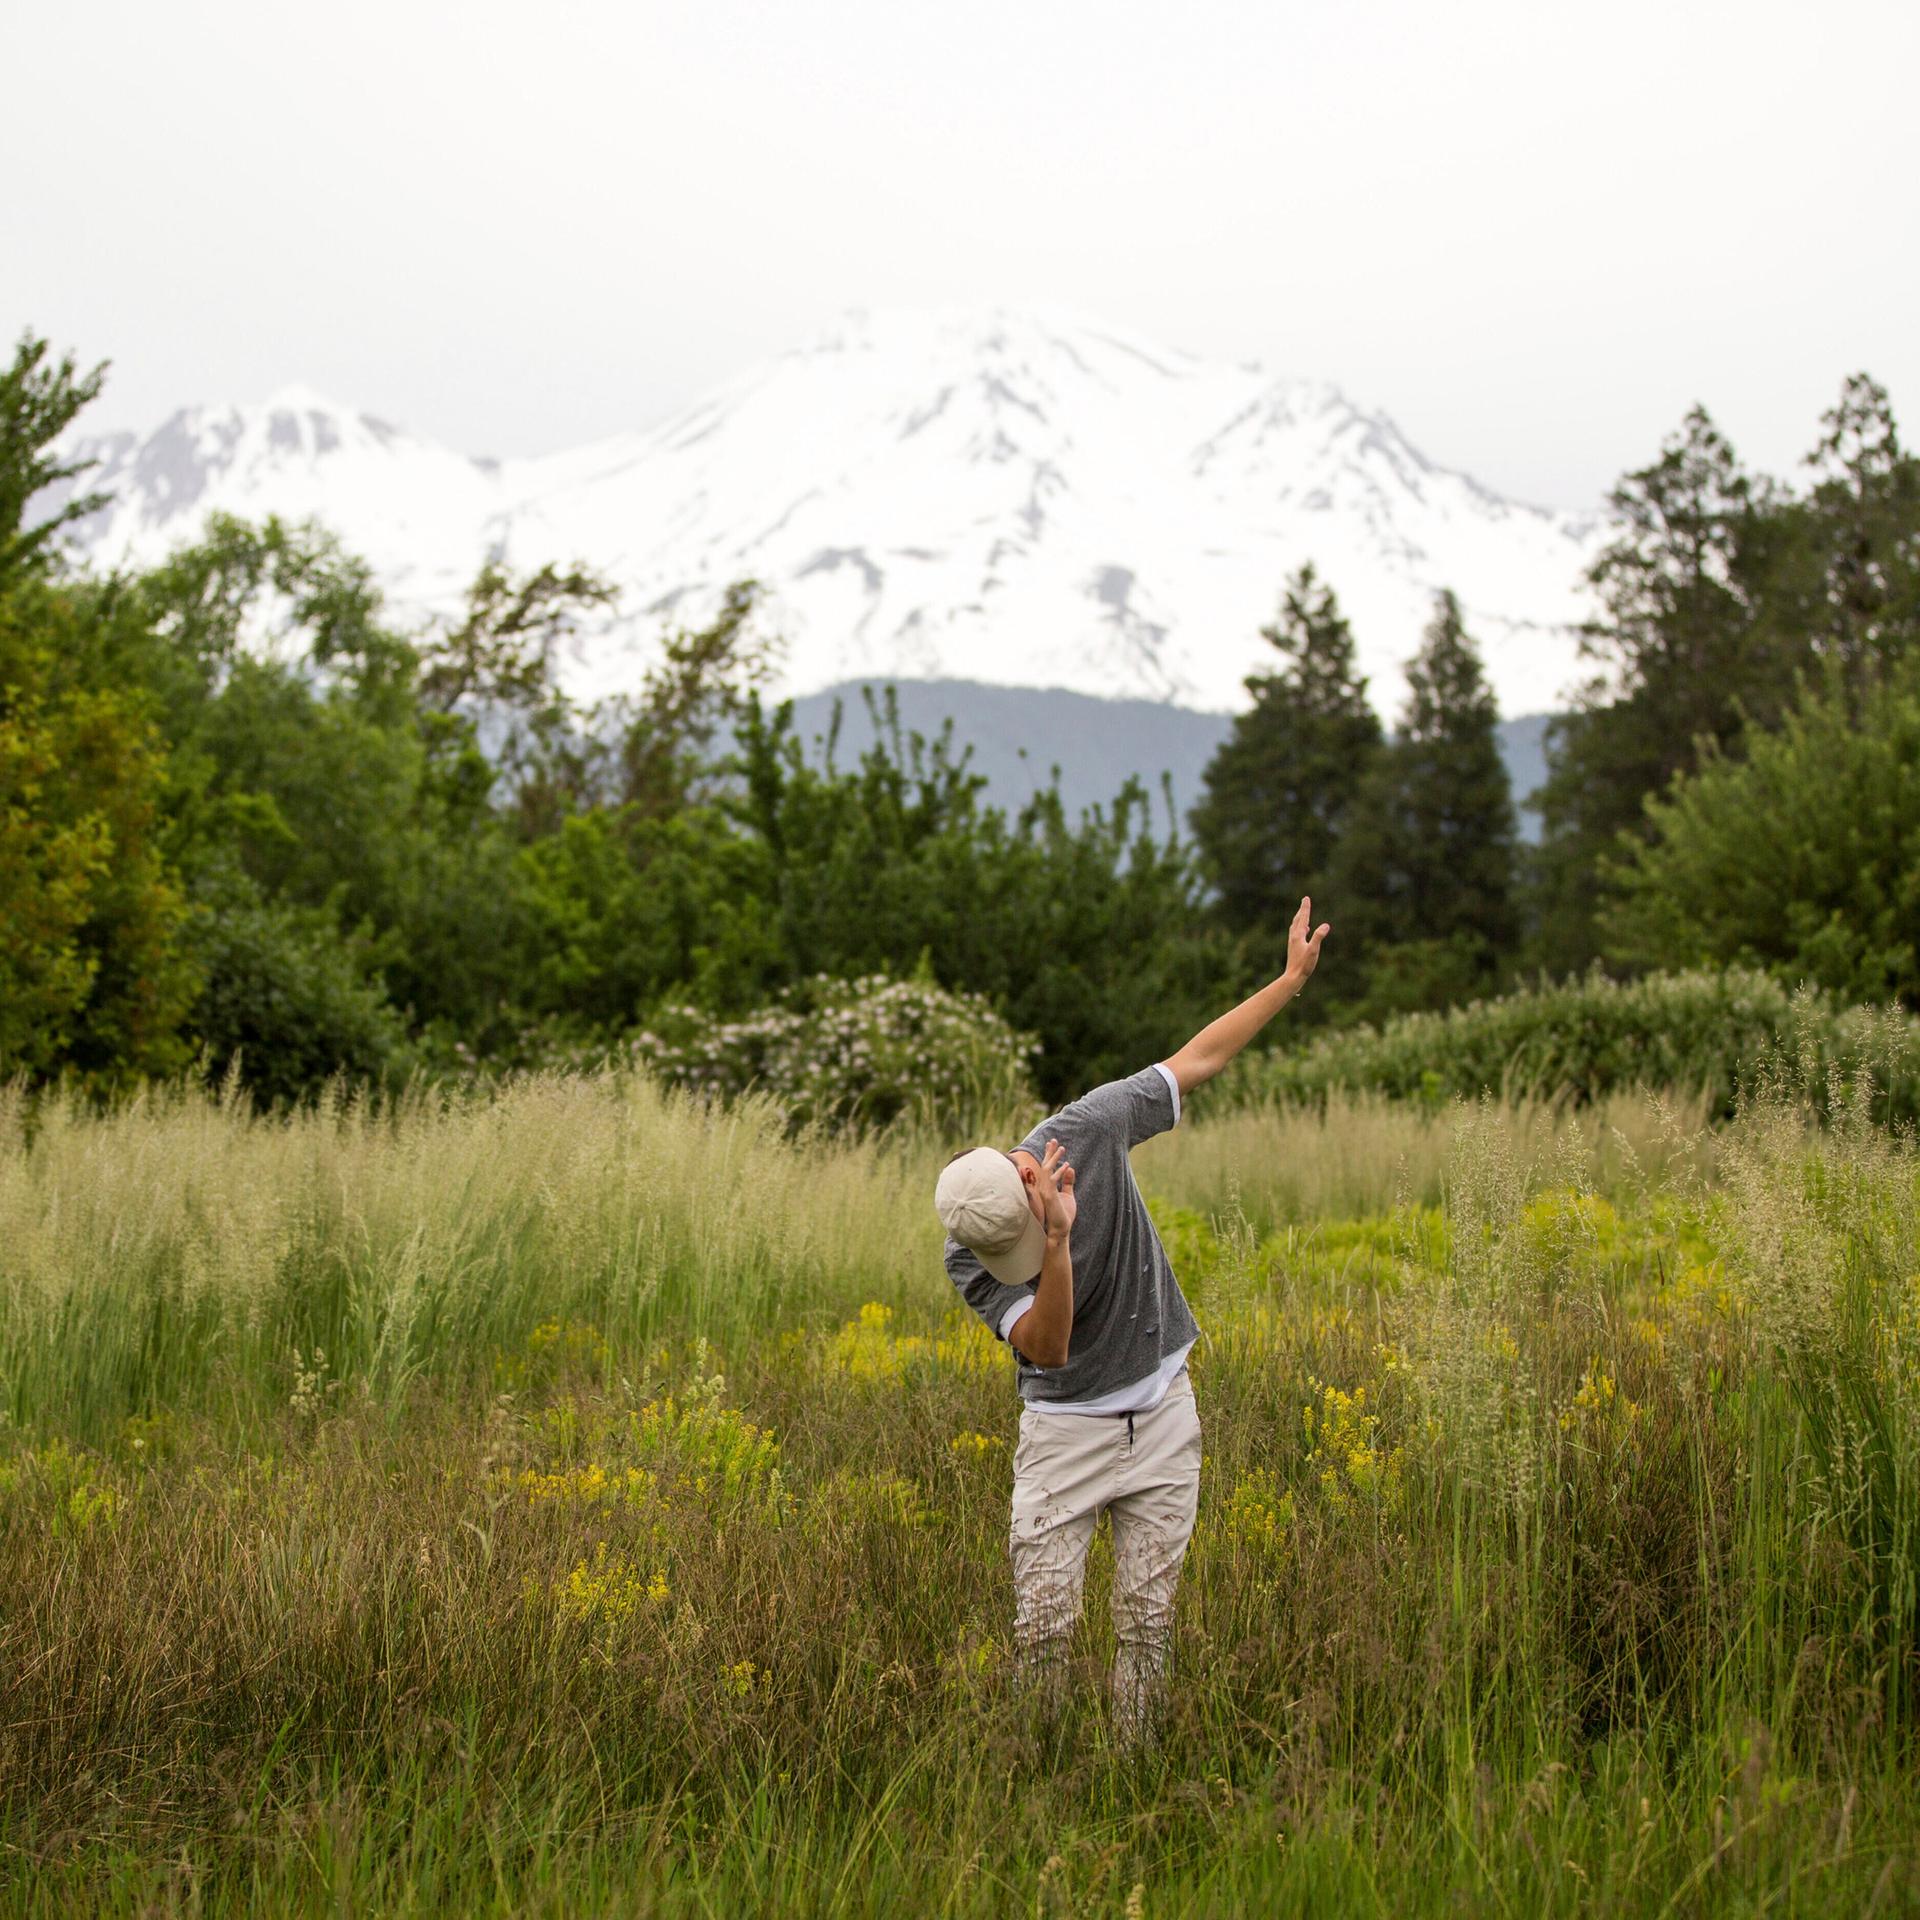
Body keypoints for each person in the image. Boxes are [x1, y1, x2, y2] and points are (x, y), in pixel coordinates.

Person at [935, 895, 1331, 1744]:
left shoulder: (1089, 1126)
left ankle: (1133, 1775)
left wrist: (1289, 980)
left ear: (1029, 1168)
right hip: (1063, 1434)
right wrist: (1058, 1246)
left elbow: (1195, 1061)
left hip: (1160, 1410)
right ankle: (1040, 1780)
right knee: (1043, 1636)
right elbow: (1048, 1343)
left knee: (1147, 1631)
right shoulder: (969, 1254)